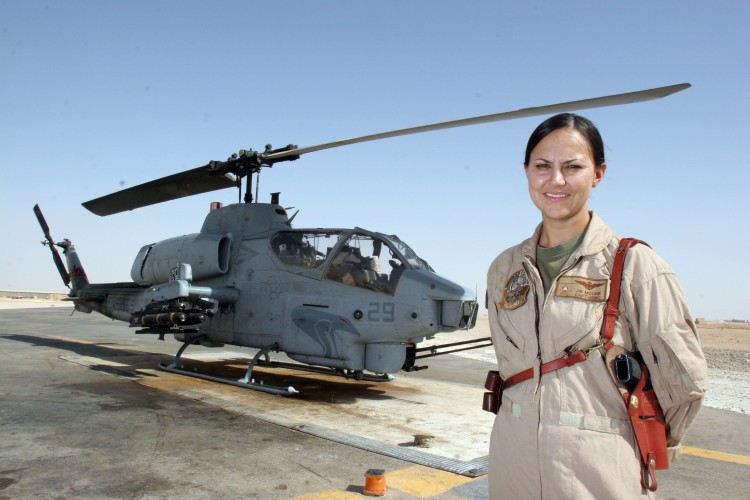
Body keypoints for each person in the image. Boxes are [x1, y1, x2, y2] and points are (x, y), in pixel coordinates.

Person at [486, 113, 707, 498]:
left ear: (598, 173)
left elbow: (685, 383)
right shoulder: (504, 269)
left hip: (597, 477)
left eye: (573, 166)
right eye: (542, 166)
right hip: (512, 469)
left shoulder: (636, 266)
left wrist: (624, 442)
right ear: (526, 172)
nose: (556, 180)